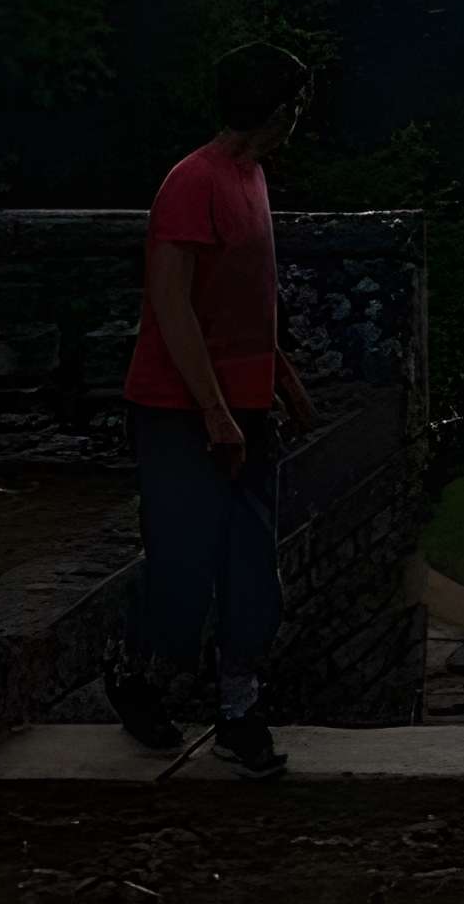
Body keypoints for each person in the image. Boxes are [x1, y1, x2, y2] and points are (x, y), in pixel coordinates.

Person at [106, 43, 317, 778]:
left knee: (252, 566)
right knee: (185, 562)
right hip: (179, 410)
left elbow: (245, 303)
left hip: (242, 405)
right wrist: (215, 412)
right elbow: (173, 307)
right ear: (280, 108)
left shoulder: (250, 177)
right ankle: (138, 674)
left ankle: (238, 709)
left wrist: (282, 380)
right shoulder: (192, 183)